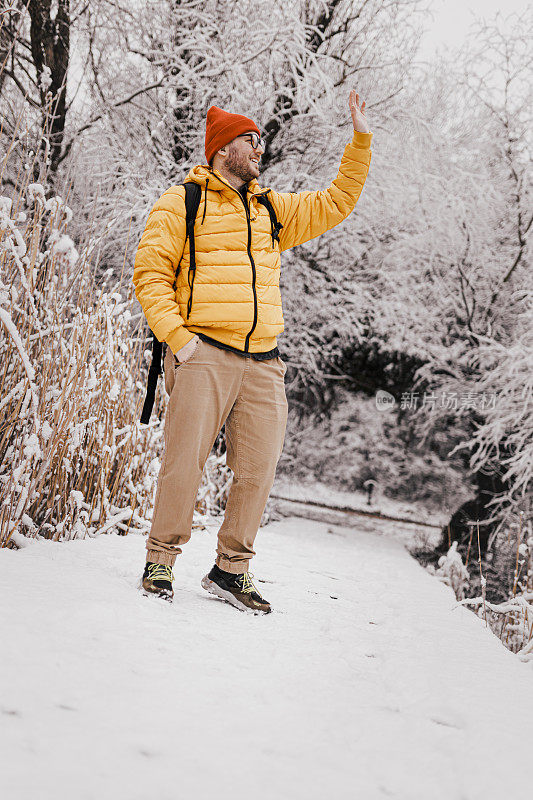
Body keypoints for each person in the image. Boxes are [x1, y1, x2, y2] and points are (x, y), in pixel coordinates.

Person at [132, 91, 372, 613]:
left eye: (259, 140)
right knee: (184, 464)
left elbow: (336, 202)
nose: (258, 148)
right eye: (249, 140)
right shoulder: (183, 202)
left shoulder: (268, 209)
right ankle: (160, 560)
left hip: (265, 361)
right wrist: (181, 341)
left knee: (259, 469)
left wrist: (359, 142)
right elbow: (150, 275)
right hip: (204, 355)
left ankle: (230, 569)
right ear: (222, 150)